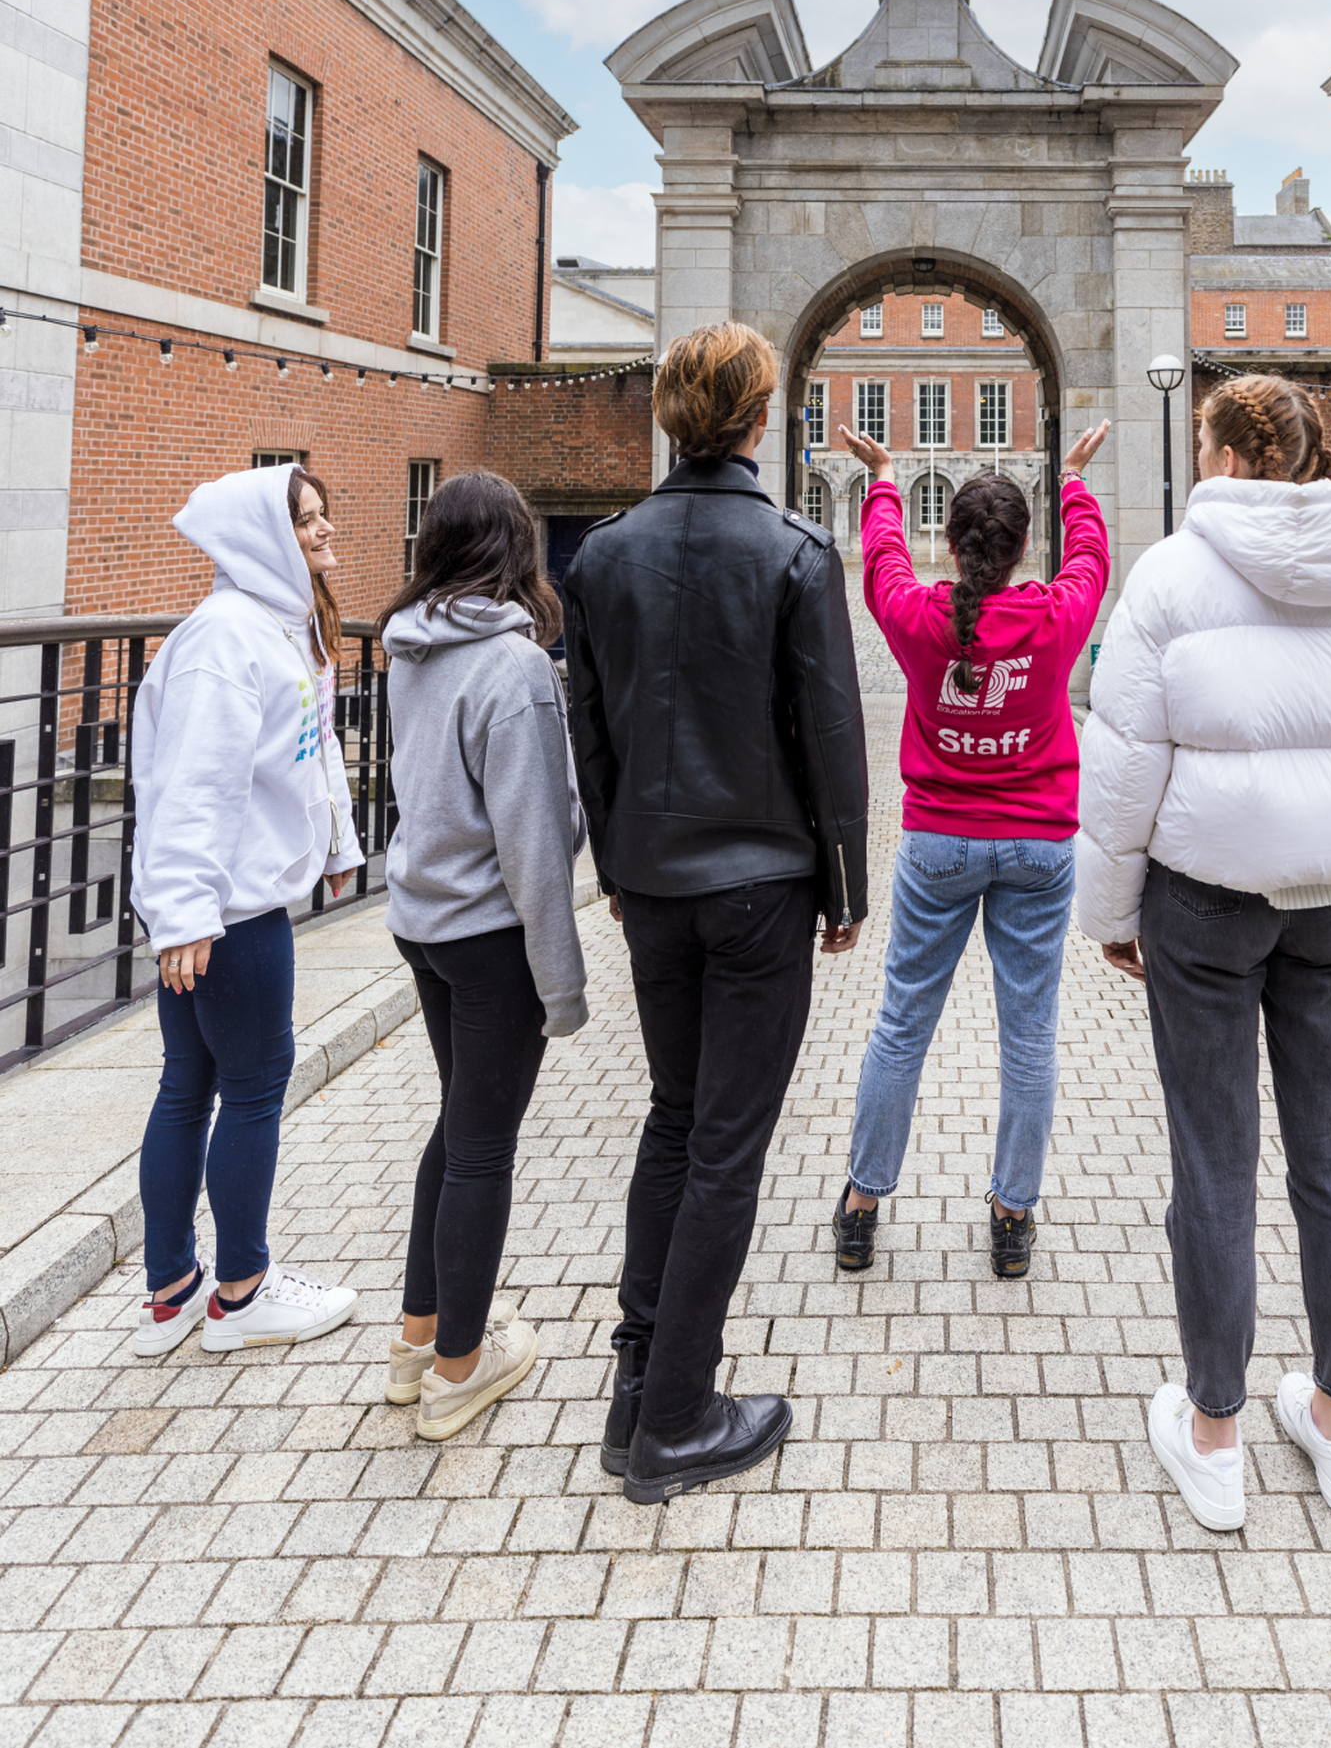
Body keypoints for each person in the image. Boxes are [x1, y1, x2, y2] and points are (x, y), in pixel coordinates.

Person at [1078, 375, 1331, 1530]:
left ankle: (1216, 1434)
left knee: (1213, 1159)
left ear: (1228, 453)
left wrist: (1113, 913)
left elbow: (1126, 761)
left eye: (1199, 437)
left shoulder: (1173, 574)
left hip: (1207, 903)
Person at [565, 322, 869, 1505]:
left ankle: (635, 1388)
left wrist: (613, 858)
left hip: (651, 881)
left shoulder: (602, 554)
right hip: (757, 888)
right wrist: (844, 887)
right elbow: (833, 732)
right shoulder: (793, 551)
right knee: (726, 1147)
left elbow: (587, 721)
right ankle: (680, 1416)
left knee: (675, 1119)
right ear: (758, 417)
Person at [831, 417, 1111, 1281]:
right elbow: (1091, 560)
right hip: (1037, 844)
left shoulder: (918, 616)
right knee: (1028, 1037)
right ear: (1024, 548)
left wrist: (884, 478)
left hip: (939, 843)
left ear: (949, 546)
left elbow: (880, 564)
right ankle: (1012, 1214)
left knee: (902, 1024)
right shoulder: (1056, 616)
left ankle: (863, 1204)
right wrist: (1070, 479)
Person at [128, 463, 362, 1357]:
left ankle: (173, 1290)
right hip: (231, 917)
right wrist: (184, 912)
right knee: (251, 1089)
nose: (326, 533)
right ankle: (243, 1291)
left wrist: (336, 845)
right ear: (263, 535)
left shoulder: (279, 628)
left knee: (188, 1087)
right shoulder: (226, 639)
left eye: (323, 516)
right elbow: (194, 782)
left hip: (222, 908)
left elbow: (310, 754)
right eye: (307, 522)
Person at [378, 470, 591, 1441]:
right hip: (490, 932)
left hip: (421, 921)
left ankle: (418, 1339)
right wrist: (565, 988)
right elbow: (536, 843)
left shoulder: (406, 645)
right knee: (484, 1147)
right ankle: (462, 1366)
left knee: (455, 1129)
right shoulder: (512, 669)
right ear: (518, 549)